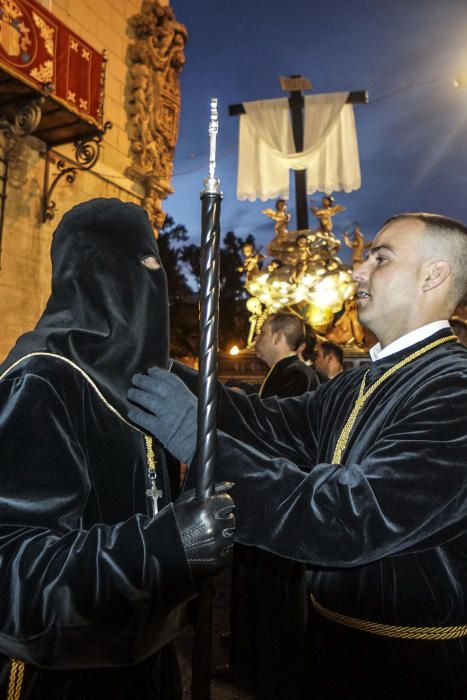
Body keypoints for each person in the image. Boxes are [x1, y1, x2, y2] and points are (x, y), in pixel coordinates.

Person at [128, 212, 467, 698]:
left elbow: (351, 517)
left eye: (381, 257)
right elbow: (271, 425)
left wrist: (200, 443)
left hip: (412, 667)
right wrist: (155, 365)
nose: (358, 271)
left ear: (434, 275)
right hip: (331, 644)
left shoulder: (454, 389)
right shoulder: (360, 380)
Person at [0, 198, 235, 699]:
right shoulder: (42, 382)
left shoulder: (141, 384)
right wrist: (166, 545)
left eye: (158, 268)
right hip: (64, 673)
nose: (153, 287)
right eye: (138, 266)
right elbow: (15, 569)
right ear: (91, 276)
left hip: (147, 657)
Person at [221, 312, 319, 697]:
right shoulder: (285, 374)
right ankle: (251, 665)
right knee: (256, 591)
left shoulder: (296, 376)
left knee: (273, 595)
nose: (256, 339)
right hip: (269, 497)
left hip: (278, 499)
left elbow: (276, 438)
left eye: (261, 332)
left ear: (279, 337)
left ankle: (269, 672)